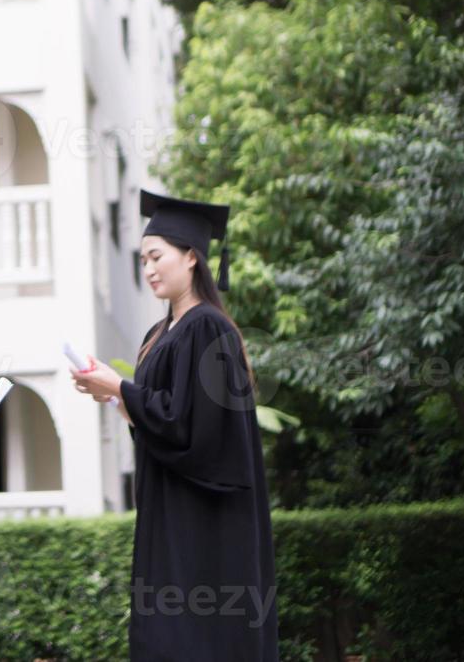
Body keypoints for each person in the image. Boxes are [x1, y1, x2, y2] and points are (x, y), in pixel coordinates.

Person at [71, 190, 279, 661]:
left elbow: (194, 431)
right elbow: (161, 423)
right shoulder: (158, 334)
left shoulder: (208, 328)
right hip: (170, 506)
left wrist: (122, 389)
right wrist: (114, 396)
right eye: (143, 259)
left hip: (204, 520)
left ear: (191, 258)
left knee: (195, 638)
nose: (148, 269)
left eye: (157, 257)